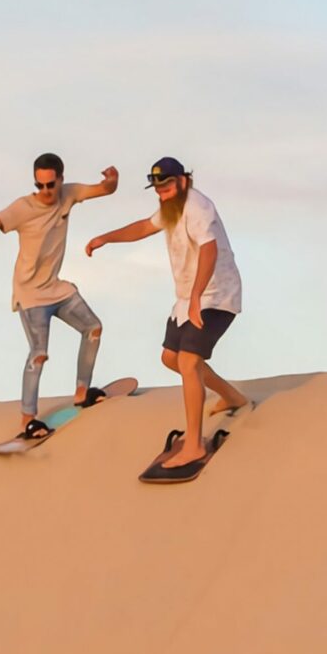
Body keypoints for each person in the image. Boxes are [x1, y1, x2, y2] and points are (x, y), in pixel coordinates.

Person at [85, 157, 248, 472]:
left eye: (168, 186)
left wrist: (199, 295)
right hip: (187, 299)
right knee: (171, 359)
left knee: (188, 362)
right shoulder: (171, 208)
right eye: (158, 190)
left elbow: (210, 251)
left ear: (184, 181)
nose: (163, 194)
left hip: (216, 297)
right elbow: (144, 227)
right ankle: (232, 397)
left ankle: (194, 445)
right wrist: (106, 237)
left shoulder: (199, 209)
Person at [0, 154, 118, 439]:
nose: (45, 192)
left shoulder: (69, 194)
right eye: (39, 185)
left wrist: (112, 181)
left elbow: (103, 190)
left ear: (61, 180)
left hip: (56, 288)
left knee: (93, 328)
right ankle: (28, 419)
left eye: (50, 185)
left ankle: (82, 391)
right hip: (30, 295)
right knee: (39, 354)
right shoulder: (23, 207)